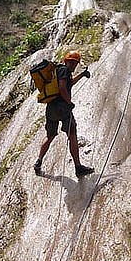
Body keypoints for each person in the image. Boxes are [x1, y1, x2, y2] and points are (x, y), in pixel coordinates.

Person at [34, 50, 94, 178]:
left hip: (51, 109)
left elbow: (69, 84)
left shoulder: (58, 71)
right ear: (66, 61)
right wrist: (69, 102)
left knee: (50, 136)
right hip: (63, 108)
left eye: (75, 63)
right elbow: (62, 88)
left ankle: (38, 162)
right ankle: (78, 167)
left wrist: (82, 74)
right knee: (72, 134)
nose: (73, 65)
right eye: (72, 62)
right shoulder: (64, 71)